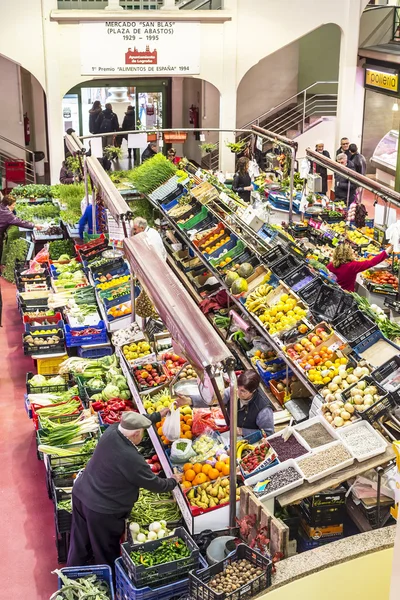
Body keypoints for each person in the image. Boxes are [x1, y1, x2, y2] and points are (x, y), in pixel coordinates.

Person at [67, 412, 180, 570]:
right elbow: (155, 484)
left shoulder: (112, 431)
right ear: (136, 434)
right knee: (105, 551)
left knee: (79, 540)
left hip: (81, 492)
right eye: (142, 432)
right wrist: (173, 481)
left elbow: (138, 420)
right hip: (102, 510)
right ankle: (110, 584)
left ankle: (71, 571)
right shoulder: (131, 457)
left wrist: (159, 414)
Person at [178, 370, 274, 437]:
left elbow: (269, 433)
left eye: (243, 391)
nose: (237, 392)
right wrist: (190, 400)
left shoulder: (263, 410)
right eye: (237, 387)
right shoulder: (234, 391)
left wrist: (242, 431)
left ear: (252, 391)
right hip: (231, 432)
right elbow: (215, 399)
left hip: (249, 440)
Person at [327, 243, 392, 292]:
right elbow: (371, 262)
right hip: (346, 295)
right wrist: (386, 251)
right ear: (349, 254)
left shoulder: (331, 265)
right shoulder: (353, 266)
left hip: (332, 291)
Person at [0, 196, 41, 263]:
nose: (14, 207)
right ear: (8, 205)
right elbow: (19, 222)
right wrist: (34, 225)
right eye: (13, 205)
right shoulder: (7, 214)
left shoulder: (1, 206)